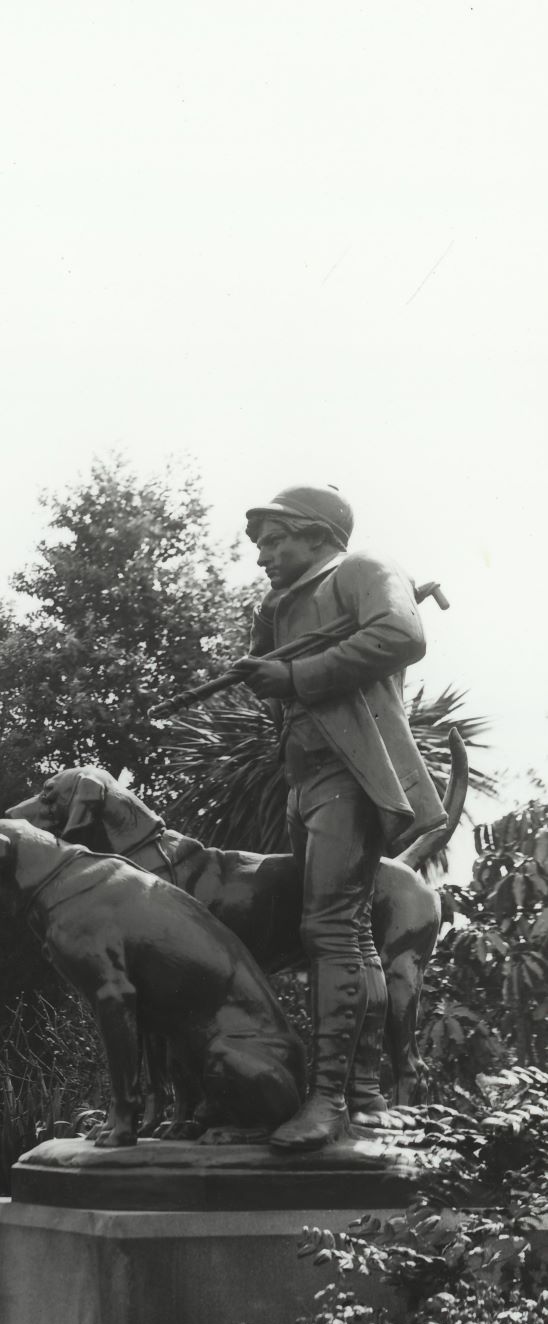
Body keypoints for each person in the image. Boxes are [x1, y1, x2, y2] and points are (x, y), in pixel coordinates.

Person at [231, 485, 445, 1152]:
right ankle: (363, 1097)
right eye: (260, 544)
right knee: (343, 930)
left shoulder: (359, 569)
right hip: (308, 783)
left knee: (332, 928)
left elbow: (403, 635)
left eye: (275, 539)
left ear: (318, 533)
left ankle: (328, 1102)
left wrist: (296, 675)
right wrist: (270, 655)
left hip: (351, 777)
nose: (263, 554)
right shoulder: (289, 602)